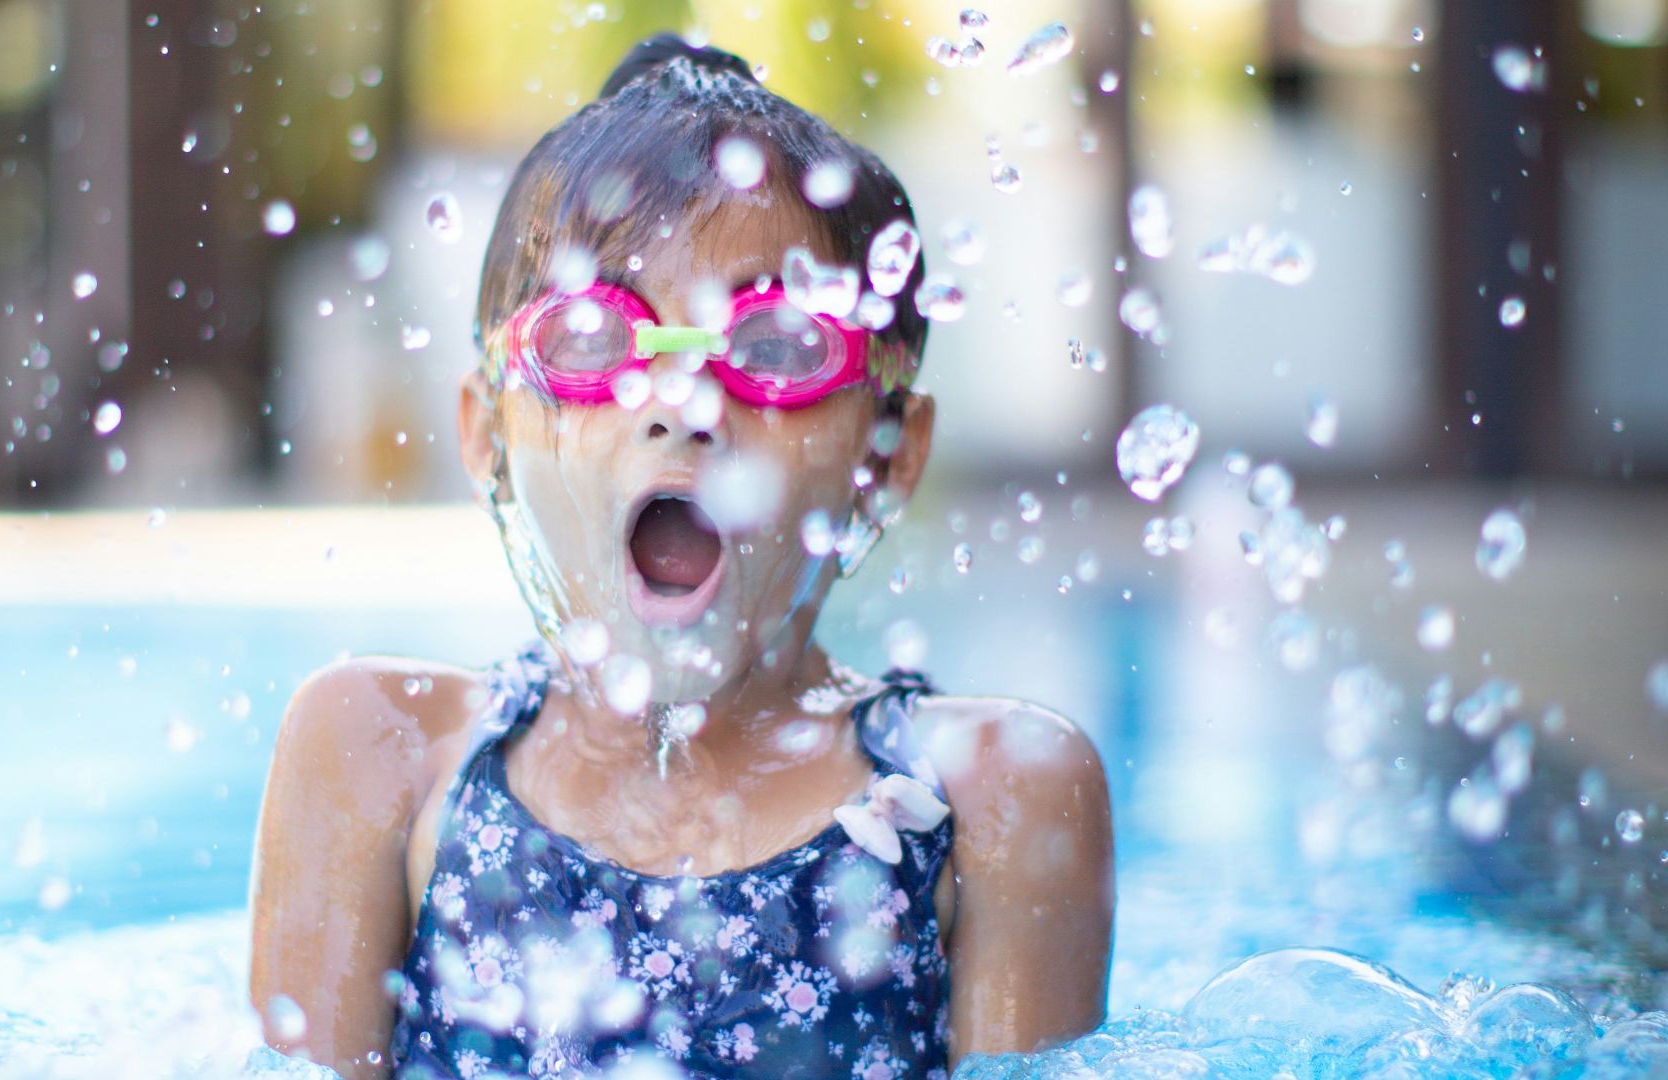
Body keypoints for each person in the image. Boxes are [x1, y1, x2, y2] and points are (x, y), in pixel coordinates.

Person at [249, 33, 1113, 1079]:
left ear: (888, 454)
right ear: (485, 432)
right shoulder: (382, 752)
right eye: (592, 341)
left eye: (778, 348)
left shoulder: (989, 795)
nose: (683, 406)